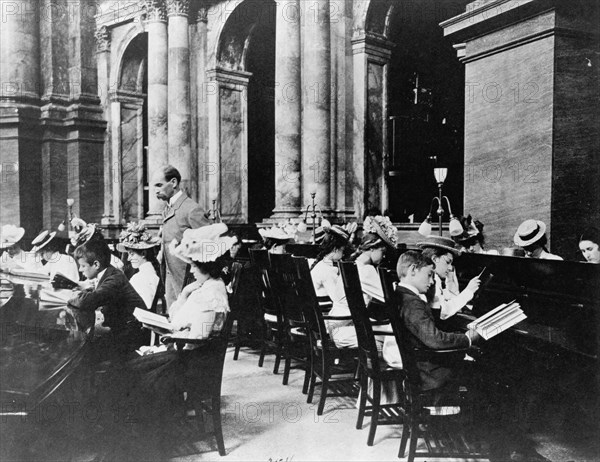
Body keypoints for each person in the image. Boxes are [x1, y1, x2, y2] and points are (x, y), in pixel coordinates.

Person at [126, 223, 234, 419]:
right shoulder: (204, 287)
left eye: (194, 266)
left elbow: (199, 336)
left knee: (133, 371)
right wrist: (184, 294)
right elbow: (181, 320)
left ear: (206, 266)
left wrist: (171, 335)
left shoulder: (211, 295)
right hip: (185, 352)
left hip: (192, 361)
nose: (191, 271)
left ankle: (147, 426)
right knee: (132, 366)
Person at [383, 251, 478, 391]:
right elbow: (434, 339)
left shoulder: (402, 294)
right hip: (427, 374)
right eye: (429, 275)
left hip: (420, 364)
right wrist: (467, 339)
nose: (432, 281)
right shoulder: (412, 303)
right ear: (413, 270)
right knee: (481, 371)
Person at [68, 239, 147, 363]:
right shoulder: (110, 273)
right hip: (122, 328)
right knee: (82, 342)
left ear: (96, 265)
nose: (80, 270)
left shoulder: (114, 279)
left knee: (82, 351)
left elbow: (87, 302)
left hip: (130, 335)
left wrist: (69, 295)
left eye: (83, 266)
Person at [327, 215, 398, 348]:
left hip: (336, 327)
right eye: (383, 252)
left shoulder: (352, 265)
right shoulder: (366, 270)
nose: (383, 257)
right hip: (348, 330)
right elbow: (389, 298)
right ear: (372, 249)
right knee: (398, 335)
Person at [152, 165, 209, 307]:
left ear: (174, 183)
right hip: (172, 279)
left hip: (188, 280)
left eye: (159, 185)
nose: (156, 190)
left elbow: (209, 245)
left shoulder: (191, 209)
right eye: (154, 186)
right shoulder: (168, 208)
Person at [418, 235, 481, 321]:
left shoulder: (436, 278)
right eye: (447, 262)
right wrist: (468, 291)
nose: (449, 267)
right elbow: (443, 312)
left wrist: (451, 278)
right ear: (435, 259)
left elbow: (450, 299)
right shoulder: (429, 281)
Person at [117, 222, 163, 311]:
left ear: (143, 253)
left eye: (132, 254)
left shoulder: (144, 277)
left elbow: (144, 306)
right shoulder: (147, 273)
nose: (129, 259)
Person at [309, 222, 353, 311]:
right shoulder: (328, 270)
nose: (343, 254)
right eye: (342, 250)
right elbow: (337, 298)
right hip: (323, 313)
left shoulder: (321, 264)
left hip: (317, 311)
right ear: (335, 249)